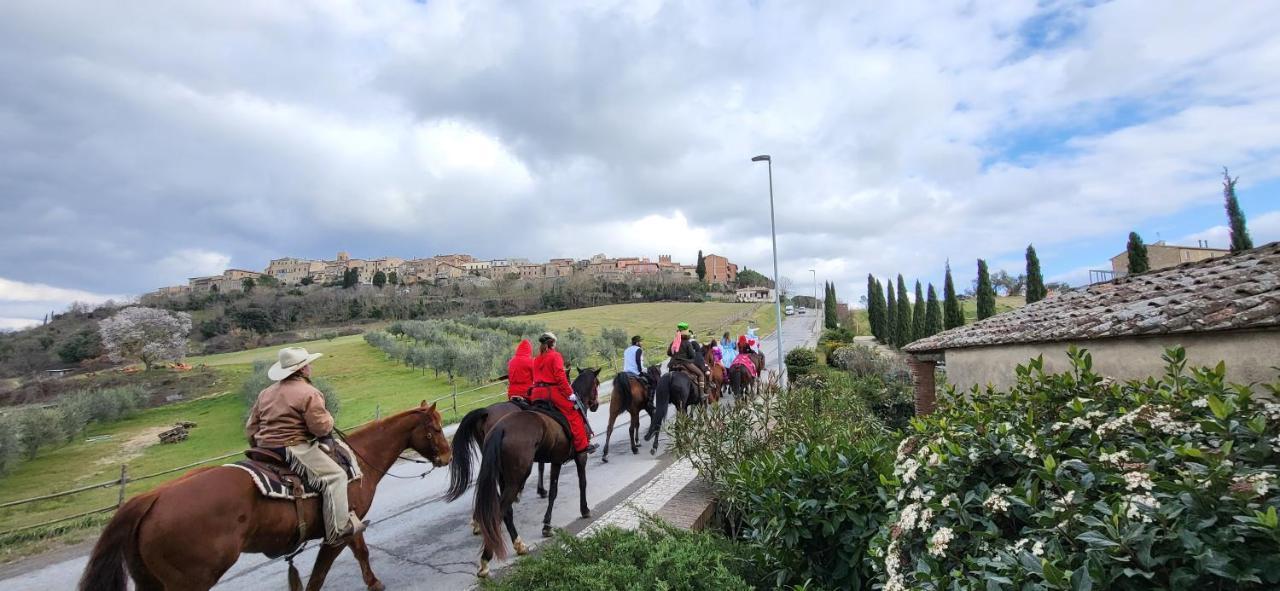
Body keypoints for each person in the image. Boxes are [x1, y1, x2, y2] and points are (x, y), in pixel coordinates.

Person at [246, 347, 364, 545]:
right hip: (292, 448)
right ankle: (339, 528)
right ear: (301, 370)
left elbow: (251, 427)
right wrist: (329, 420)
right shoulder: (309, 392)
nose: (310, 367)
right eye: (308, 364)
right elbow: (320, 428)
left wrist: (258, 444)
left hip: (263, 448)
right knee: (336, 476)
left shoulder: (265, 393)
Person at [530, 333, 596, 455]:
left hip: (536, 393)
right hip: (551, 393)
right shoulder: (555, 356)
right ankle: (582, 446)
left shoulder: (536, 359)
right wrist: (569, 393)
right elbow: (560, 378)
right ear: (552, 343)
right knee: (574, 412)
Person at [668, 322, 707, 391]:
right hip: (685, 363)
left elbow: (669, 353)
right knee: (701, 374)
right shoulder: (687, 343)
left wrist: (675, 356)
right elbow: (692, 355)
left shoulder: (673, 342)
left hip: (673, 363)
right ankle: (702, 394)